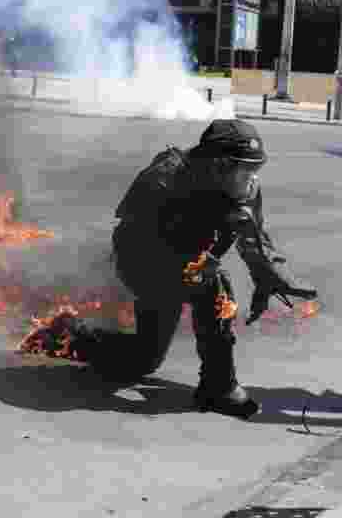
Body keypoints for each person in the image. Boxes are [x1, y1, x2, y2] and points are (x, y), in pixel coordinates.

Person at [73, 119, 318, 418]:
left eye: (255, 169)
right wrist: (188, 267)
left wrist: (269, 274)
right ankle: (218, 386)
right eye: (244, 169)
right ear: (217, 164)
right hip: (144, 261)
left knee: (144, 360)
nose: (251, 178)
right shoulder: (164, 178)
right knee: (212, 285)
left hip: (190, 262)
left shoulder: (243, 188)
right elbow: (133, 240)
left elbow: (253, 237)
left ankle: (77, 339)